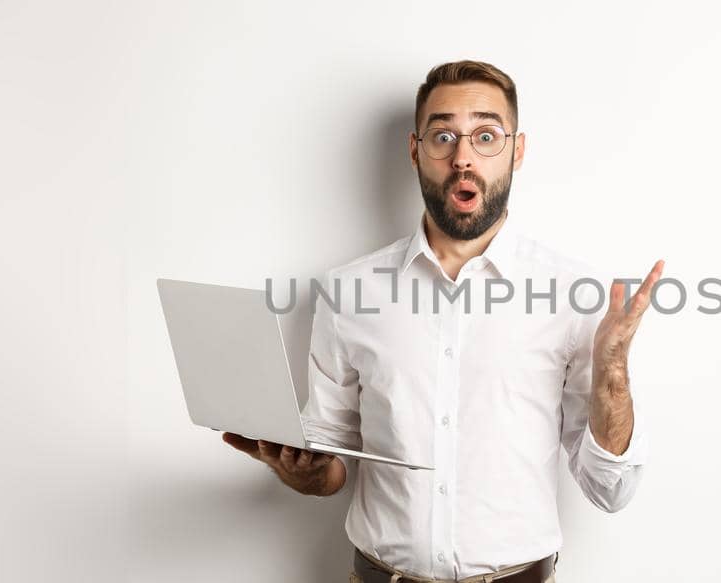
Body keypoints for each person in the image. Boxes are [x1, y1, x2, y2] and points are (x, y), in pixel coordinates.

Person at [222, 60, 663, 583]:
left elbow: (610, 490)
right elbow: (330, 464)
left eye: (485, 135)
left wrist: (612, 369)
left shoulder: (573, 293)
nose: (463, 157)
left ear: (517, 152)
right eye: (443, 136)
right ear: (416, 151)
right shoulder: (346, 293)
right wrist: (302, 470)